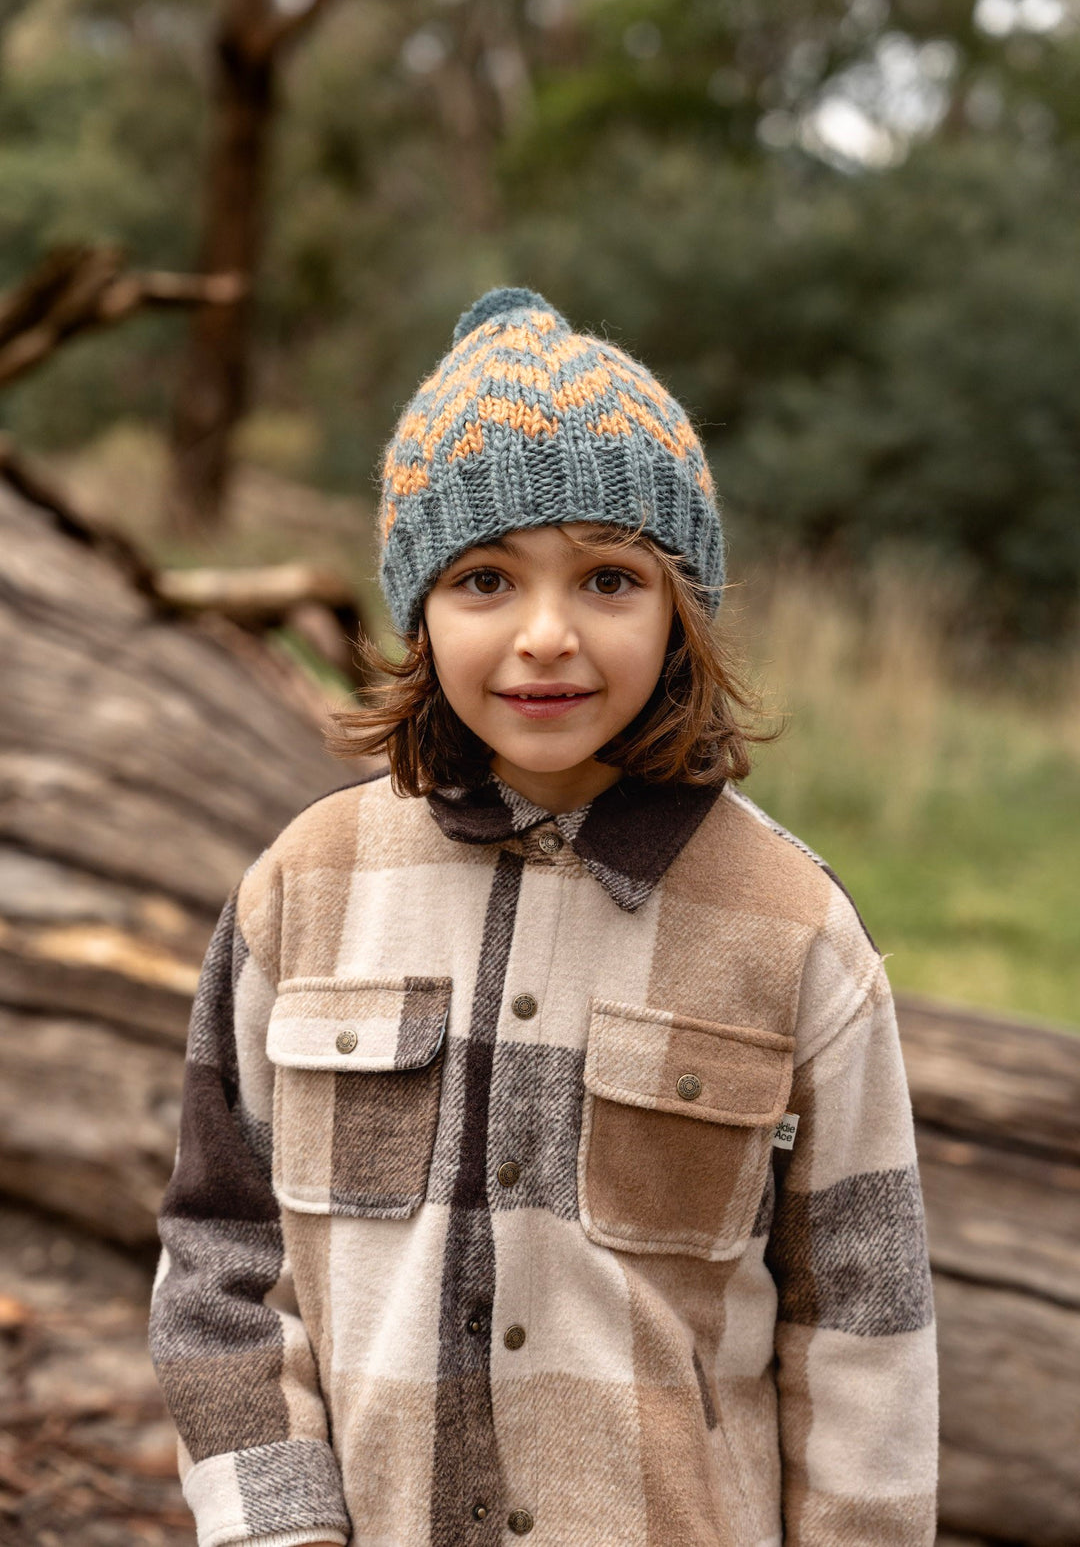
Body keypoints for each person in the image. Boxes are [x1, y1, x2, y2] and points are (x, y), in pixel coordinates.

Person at [149, 286, 939, 1547]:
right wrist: (274, 1523)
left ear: (682, 610)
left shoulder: (798, 932)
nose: (546, 636)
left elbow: (865, 1327)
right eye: (485, 580)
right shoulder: (301, 891)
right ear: (419, 610)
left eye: (610, 578)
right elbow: (222, 1257)